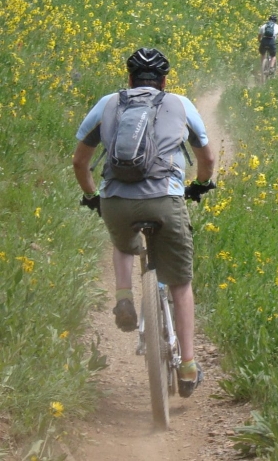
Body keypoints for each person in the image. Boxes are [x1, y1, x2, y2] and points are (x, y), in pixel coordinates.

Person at [72, 47, 215, 398]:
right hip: (165, 198)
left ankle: (123, 296)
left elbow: (80, 162)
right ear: (164, 80)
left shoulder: (107, 103)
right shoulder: (180, 103)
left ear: (129, 78)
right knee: (180, 284)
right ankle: (188, 366)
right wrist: (198, 185)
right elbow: (206, 157)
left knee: (123, 243)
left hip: (117, 200)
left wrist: (93, 196)